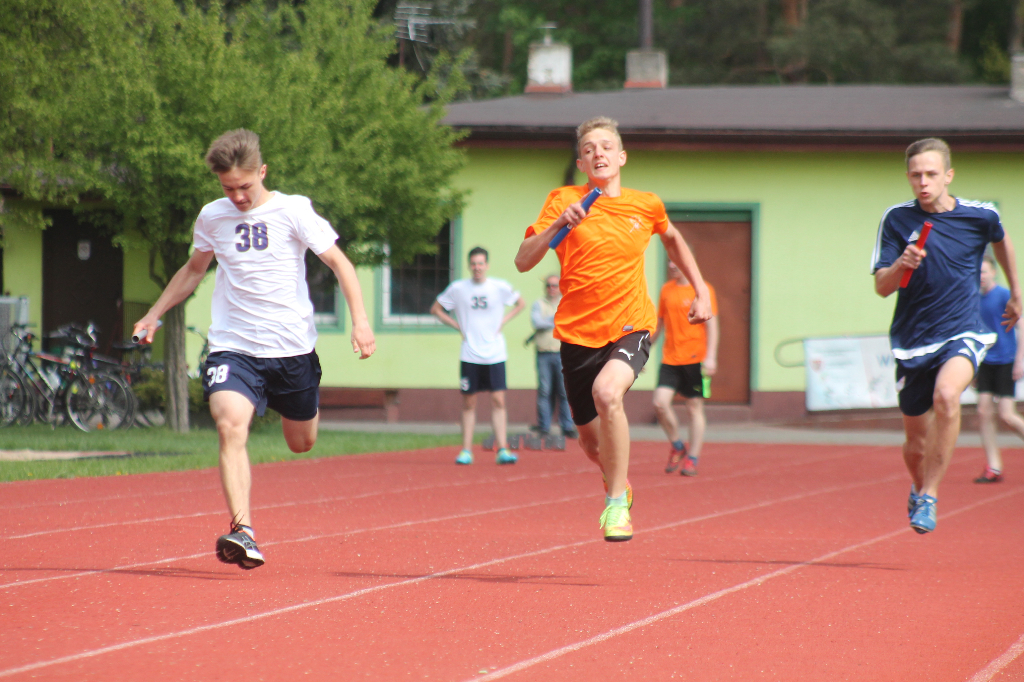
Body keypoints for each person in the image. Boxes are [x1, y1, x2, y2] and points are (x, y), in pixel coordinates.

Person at [132, 129, 375, 569]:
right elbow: (193, 269)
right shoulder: (212, 216)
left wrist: (360, 321)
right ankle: (243, 530)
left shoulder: (293, 210)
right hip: (234, 346)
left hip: (291, 350)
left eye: (245, 186)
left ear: (262, 172)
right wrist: (154, 314)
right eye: (229, 188)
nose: (238, 196)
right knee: (230, 426)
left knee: (301, 442)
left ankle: (301, 407)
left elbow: (339, 262)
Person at [514, 116, 712, 542]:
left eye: (605, 146)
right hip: (576, 333)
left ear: (621, 157)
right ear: (582, 164)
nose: (597, 153)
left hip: (630, 325)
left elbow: (673, 238)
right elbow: (523, 260)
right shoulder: (563, 200)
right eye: (588, 150)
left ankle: (616, 504)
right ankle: (616, 481)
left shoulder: (646, 205)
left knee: (608, 394)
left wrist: (702, 291)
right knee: (590, 445)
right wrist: (557, 226)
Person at [872, 137, 1020, 534]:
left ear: (948, 176)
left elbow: (1001, 238)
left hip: (963, 330)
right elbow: (882, 287)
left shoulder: (979, 216)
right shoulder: (897, 220)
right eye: (916, 175)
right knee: (916, 443)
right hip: (912, 337)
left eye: (932, 174)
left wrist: (1016, 292)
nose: (924, 182)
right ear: (908, 177)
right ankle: (920, 486)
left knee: (947, 396)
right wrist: (902, 264)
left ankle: (931, 494)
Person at [431, 247, 525, 465]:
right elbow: (436, 309)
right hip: (470, 353)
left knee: (498, 400)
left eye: (481, 263)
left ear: (487, 265)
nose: (477, 267)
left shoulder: (499, 287)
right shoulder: (458, 288)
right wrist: (457, 326)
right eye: (473, 263)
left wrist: (503, 321)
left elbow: (521, 303)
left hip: (495, 353)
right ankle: (466, 450)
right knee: (469, 402)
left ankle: (502, 449)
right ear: (469, 266)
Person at [651, 260, 719, 476]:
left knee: (694, 408)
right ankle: (678, 446)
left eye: (676, 261)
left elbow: (712, 326)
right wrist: (641, 354)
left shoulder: (703, 289)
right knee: (660, 403)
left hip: (695, 358)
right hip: (670, 358)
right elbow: (658, 324)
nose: (671, 265)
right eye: (669, 261)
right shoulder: (666, 290)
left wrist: (711, 357)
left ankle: (693, 458)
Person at [975, 254, 1024, 483]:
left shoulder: (1004, 295)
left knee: (1007, 415)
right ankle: (993, 466)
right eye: (978, 272)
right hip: (985, 360)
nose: (981, 276)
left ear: (993, 272)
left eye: (984, 272)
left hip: (1006, 360)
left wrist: (1020, 359)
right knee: (983, 412)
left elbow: (1021, 327)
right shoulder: (972, 298)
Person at [530, 273, 577, 439]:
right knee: (545, 391)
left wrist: (549, 320)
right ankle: (544, 426)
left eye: (554, 285)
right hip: (543, 353)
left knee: (564, 391)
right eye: (548, 285)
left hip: (562, 354)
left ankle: (567, 426)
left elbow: (571, 323)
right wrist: (557, 318)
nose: (551, 288)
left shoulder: (566, 303)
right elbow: (537, 323)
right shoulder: (538, 304)